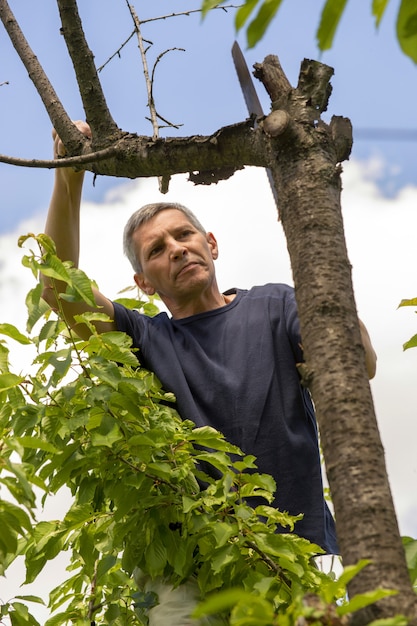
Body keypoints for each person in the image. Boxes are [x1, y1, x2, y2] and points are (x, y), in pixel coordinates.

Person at [43, 122, 376, 620]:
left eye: (184, 235)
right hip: (187, 568)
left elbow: (360, 363)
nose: (176, 248)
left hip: (302, 549)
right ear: (144, 282)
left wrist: (329, 312)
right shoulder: (146, 339)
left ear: (211, 244)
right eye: (156, 250)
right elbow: (57, 288)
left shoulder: (275, 304)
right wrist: (68, 176)